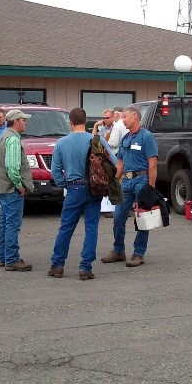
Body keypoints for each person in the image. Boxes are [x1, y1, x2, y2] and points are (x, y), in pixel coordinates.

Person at [49, 108, 115, 280]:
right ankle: (85, 267)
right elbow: (113, 163)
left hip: (73, 188)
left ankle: (57, 265)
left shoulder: (62, 143)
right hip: (94, 189)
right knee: (91, 228)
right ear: (86, 121)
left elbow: (55, 171)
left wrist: (65, 183)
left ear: (70, 121)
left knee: (66, 227)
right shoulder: (96, 140)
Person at [102, 105, 159, 268]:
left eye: (125, 117)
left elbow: (153, 165)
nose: (123, 120)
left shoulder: (146, 137)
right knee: (118, 217)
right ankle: (118, 251)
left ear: (135, 116)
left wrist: (150, 188)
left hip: (142, 181)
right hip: (126, 182)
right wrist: (113, 183)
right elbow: (120, 164)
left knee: (142, 219)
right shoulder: (125, 138)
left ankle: (138, 253)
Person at [0, 109, 34, 271]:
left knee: (4, 222)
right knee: (12, 224)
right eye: (24, 120)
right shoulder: (13, 140)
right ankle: (11, 259)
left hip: (2, 186)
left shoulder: (2, 136)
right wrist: (19, 185)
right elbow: (12, 166)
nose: (26, 122)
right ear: (16, 121)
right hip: (11, 188)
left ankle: (3, 257)